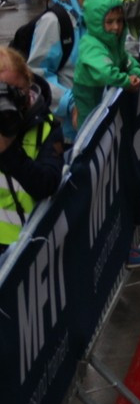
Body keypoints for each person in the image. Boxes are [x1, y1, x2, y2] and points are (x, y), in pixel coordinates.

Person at [26, 0, 113, 142]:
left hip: (105, 126)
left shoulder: (111, 11)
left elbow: (127, 48)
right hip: (66, 137)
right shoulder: (55, 21)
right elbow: (35, 76)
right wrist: (72, 103)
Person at [0, 47, 64, 253]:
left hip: (32, 251)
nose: (9, 102)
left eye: (16, 91)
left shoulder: (47, 127)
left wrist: (9, 151)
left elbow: (47, 184)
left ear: (28, 84)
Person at [72, 0, 140, 125]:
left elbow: (128, 60)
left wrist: (136, 73)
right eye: (109, 22)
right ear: (96, 22)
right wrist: (126, 81)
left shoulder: (115, 42)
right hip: (89, 104)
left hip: (105, 105)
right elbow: (105, 73)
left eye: (119, 21)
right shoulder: (90, 45)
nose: (116, 27)